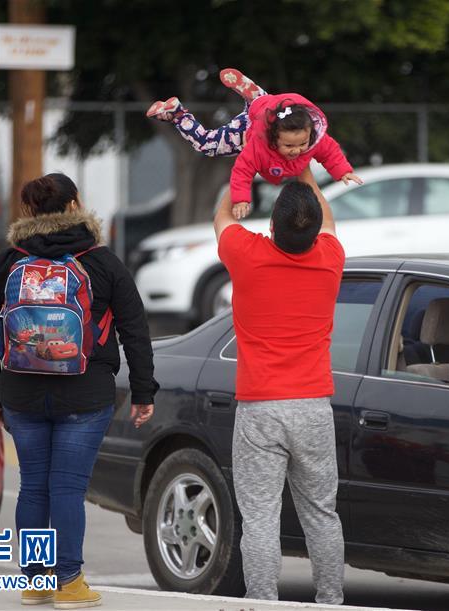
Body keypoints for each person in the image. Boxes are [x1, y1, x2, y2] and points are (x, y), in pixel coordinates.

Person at [0, 173, 158, 608]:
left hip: (20, 392)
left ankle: (37, 580)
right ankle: (70, 582)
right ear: (75, 206)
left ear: (30, 212)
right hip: (85, 393)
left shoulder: (8, 261)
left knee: (34, 485)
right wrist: (144, 392)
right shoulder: (102, 261)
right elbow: (135, 330)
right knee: (67, 489)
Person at [213, 167, 345, 604]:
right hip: (312, 407)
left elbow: (223, 218)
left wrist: (241, 172)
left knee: (261, 518)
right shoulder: (330, 258)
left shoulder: (247, 253)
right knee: (322, 514)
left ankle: (263, 601)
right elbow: (326, 220)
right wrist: (304, 168)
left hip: (260, 408)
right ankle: (330, 601)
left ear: (272, 226)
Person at [147, 68, 362, 220]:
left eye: (302, 143)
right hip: (247, 131)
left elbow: (331, 151)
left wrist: (343, 171)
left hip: (272, 114)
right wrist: (241, 200)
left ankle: (259, 99)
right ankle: (177, 114)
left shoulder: (314, 138)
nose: (296, 150)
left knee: (268, 107)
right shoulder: (257, 148)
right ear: (274, 139)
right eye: (288, 146)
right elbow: (242, 171)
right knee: (207, 145)